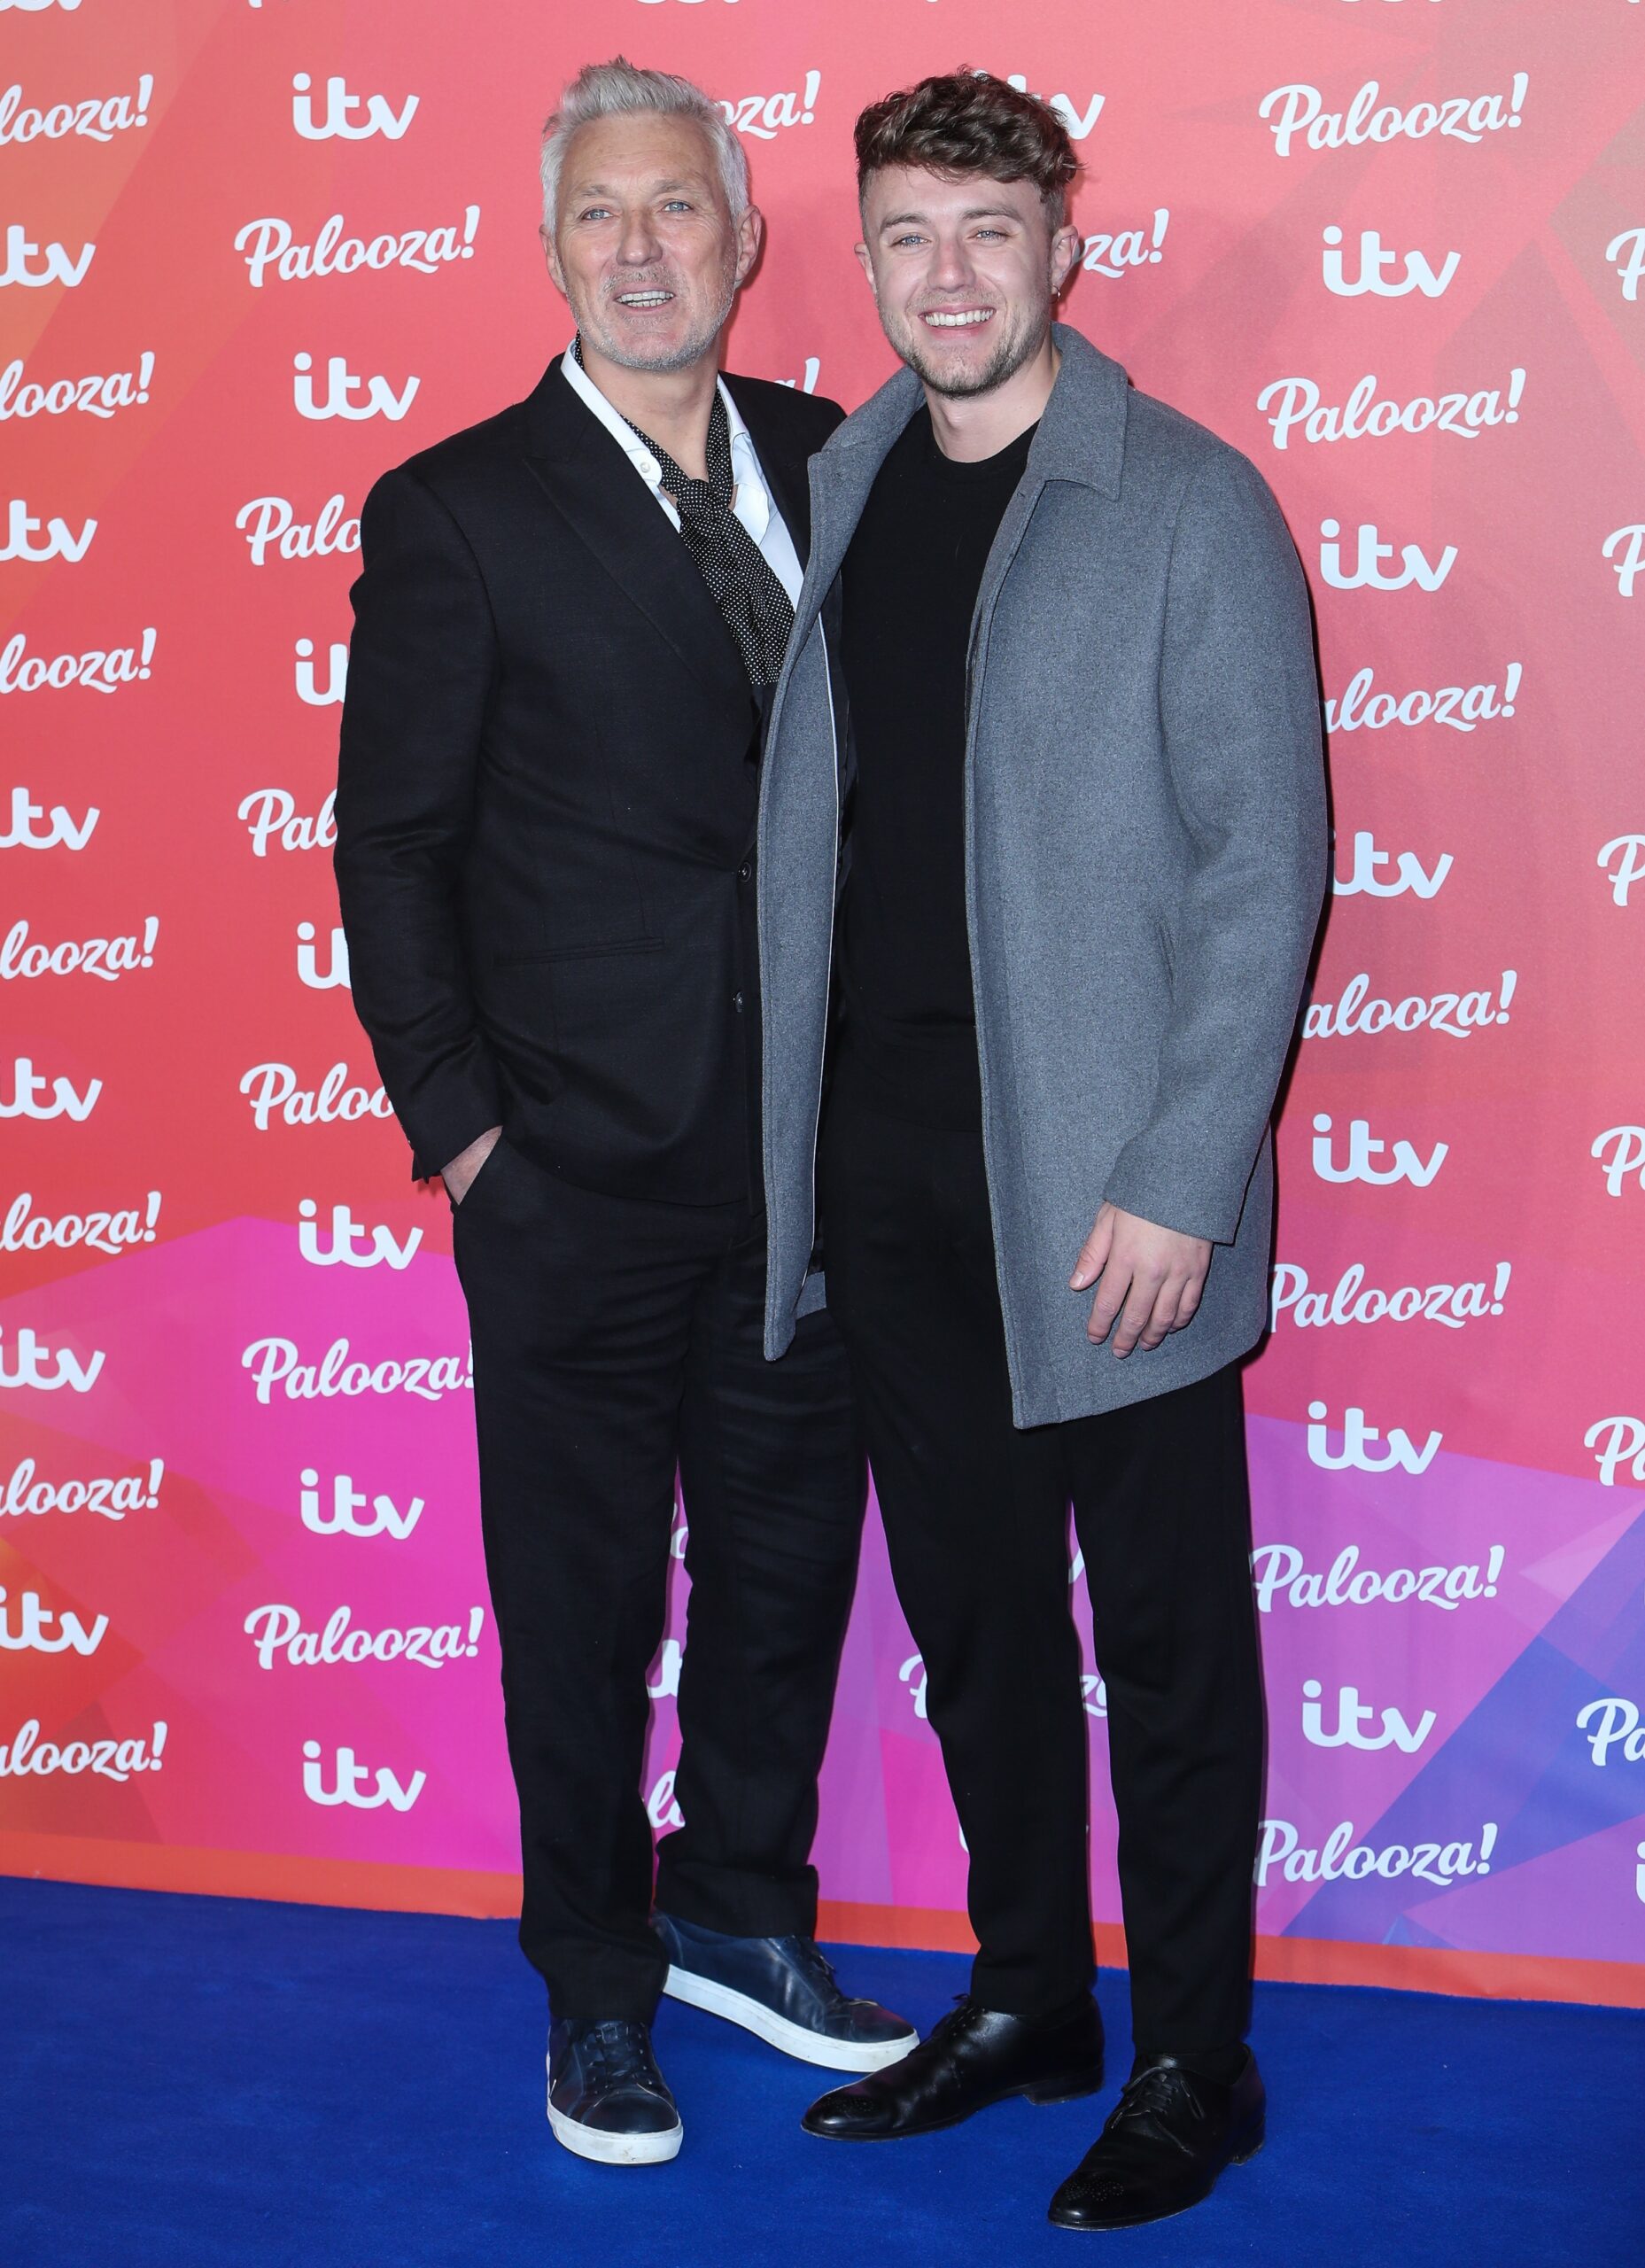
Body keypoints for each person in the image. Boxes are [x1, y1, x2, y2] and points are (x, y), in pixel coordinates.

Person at [754, 70, 1326, 2232]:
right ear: (872, 259)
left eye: (988, 231)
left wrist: (1184, 1169)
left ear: (1063, 249)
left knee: (1167, 1642)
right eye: (907, 235)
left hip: (1105, 1201)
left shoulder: (1182, 503)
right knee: (979, 1620)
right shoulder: (845, 482)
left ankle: (1191, 2049)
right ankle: (1027, 1993)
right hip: (892, 1174)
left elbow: (1262, 867)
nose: (946, 275)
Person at [334, 58, 915, 2170]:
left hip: (813, 1160)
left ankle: (742, 1918)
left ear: (748, 240)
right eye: (603, 216)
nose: (644, 248)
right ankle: (593, 1980)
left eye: (679, 208)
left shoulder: (835, 459)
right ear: (552, 246)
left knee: (779, 1569)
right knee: (577, 1600)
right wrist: (468, 1130)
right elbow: (387, 846)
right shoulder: (458, 506)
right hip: (570, 1172)